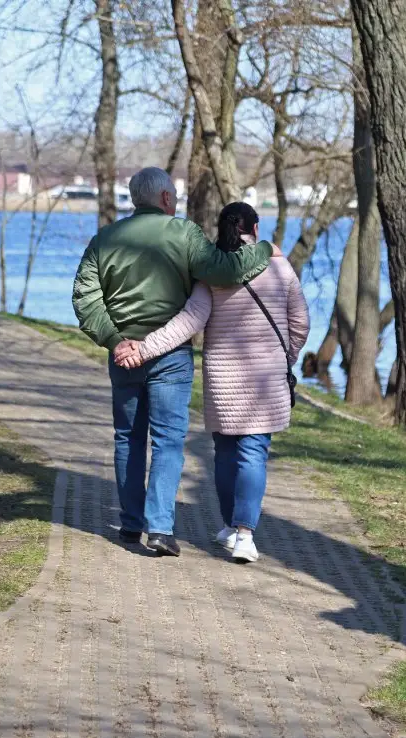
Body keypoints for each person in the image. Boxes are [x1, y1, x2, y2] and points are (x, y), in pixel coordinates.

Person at [72, 168, 279, 557]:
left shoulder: (105, 239)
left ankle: (131, 523)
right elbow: (226, 270)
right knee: (167, 440)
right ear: (166, 199)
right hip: (170, 354)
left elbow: (85, 298)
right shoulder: (183, 234)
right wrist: (264, 250)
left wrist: (117, 342)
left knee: (127, 438)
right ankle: (161, 528)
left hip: (124, 359)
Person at [114, 202, 310, 564]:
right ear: (256, 226)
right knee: (254, 452)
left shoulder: (212, 275)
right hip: (266, 380)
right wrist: (287, 357)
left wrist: (143, 349)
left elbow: (188, 321)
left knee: (226, 452)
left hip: (224, 379)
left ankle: (231, 525)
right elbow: (300, 323)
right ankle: (245, 533)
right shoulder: (280, 268)